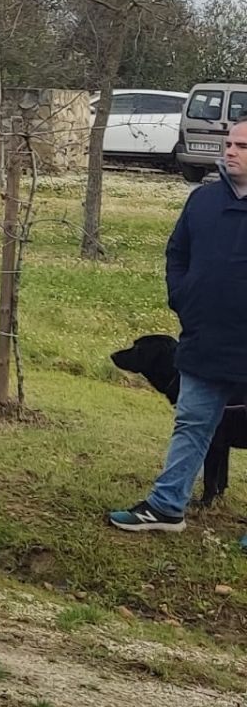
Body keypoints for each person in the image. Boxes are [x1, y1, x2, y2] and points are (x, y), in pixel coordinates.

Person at [110, 118, 247, 538]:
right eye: (229, 142)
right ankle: (167, 507)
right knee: (192, 422)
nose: (230, 150)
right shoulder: (202, 200)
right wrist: (182, 294)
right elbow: (177, 253)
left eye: (241, 145)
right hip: (205, 339)